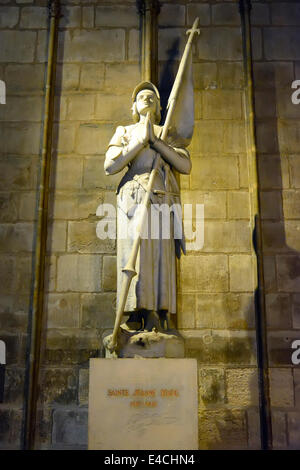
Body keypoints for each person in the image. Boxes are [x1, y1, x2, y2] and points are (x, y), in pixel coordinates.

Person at [104, 81, 191, 332]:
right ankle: (133, 312)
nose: (147, 98)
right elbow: (110, 166)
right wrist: (140, 141)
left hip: (160, 197)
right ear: (134, 106)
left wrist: (155, 142)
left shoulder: (166, 132)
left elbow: (184, 166)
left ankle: (155, 312)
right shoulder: (125, 131)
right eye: (141, 96)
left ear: (160, 106)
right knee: (134, 253)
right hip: (132, 197)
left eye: (152, 96)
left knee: (159, 255)